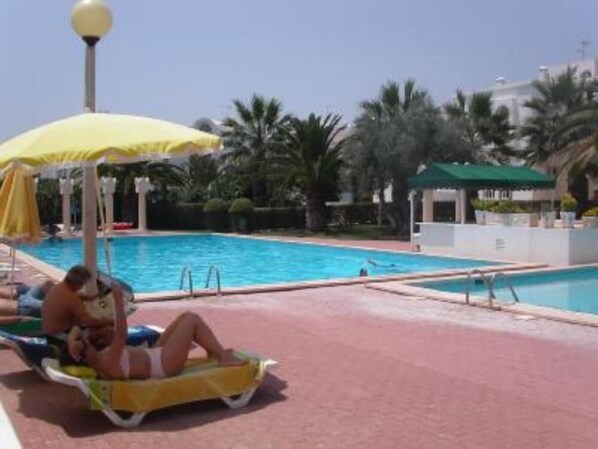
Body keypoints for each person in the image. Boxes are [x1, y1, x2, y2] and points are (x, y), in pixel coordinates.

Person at [66, 282, 244, 380]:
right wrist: (118, 301)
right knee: (192, 319)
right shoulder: (106, 362)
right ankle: (223, 357)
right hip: (164, 365)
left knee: (185, 316)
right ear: (84, 358)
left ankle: (213, 351)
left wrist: (74, 339)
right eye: (85, 345)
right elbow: (121, 334)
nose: (87, 342)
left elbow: (78, 330)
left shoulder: (99, 359)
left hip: (155, 354)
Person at [42, 265, 113, 348]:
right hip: (60, 338)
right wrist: (109, 321)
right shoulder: (72, 299)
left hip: (49, 334)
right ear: (77, 283)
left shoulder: (57, 287)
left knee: (85, 324)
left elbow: (75, 296)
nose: (82, 287)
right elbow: (90, 322)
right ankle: (102, 353)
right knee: (108, 331)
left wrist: (92, 297)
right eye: (83, 284)